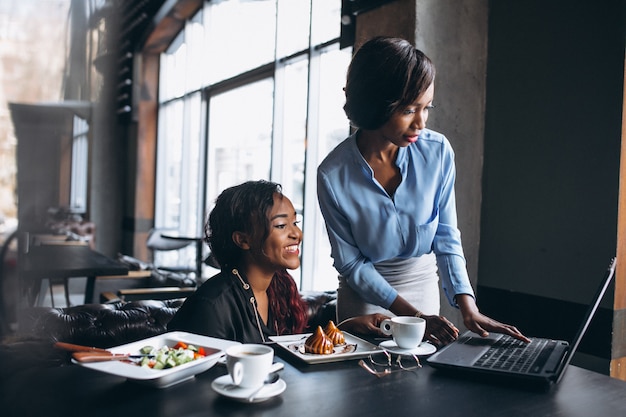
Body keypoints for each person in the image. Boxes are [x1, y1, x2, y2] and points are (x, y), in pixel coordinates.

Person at [316, 36, 529, 346]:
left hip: (422, 287)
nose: (420, 122)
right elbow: (351, 264)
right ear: (376, 103)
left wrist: (468, 306)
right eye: (408, 109)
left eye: (426, 107)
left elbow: (446, 236)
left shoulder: (437, 152)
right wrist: (412, 316)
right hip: (364, 300)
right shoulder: (332, 174)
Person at [167, 180, 387, 343]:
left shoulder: (281, 286)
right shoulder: (212, 306)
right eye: (281, 226)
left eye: (295, 222)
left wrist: (344, 329)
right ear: (243, 239)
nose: (296, 234)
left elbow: (290, 348)